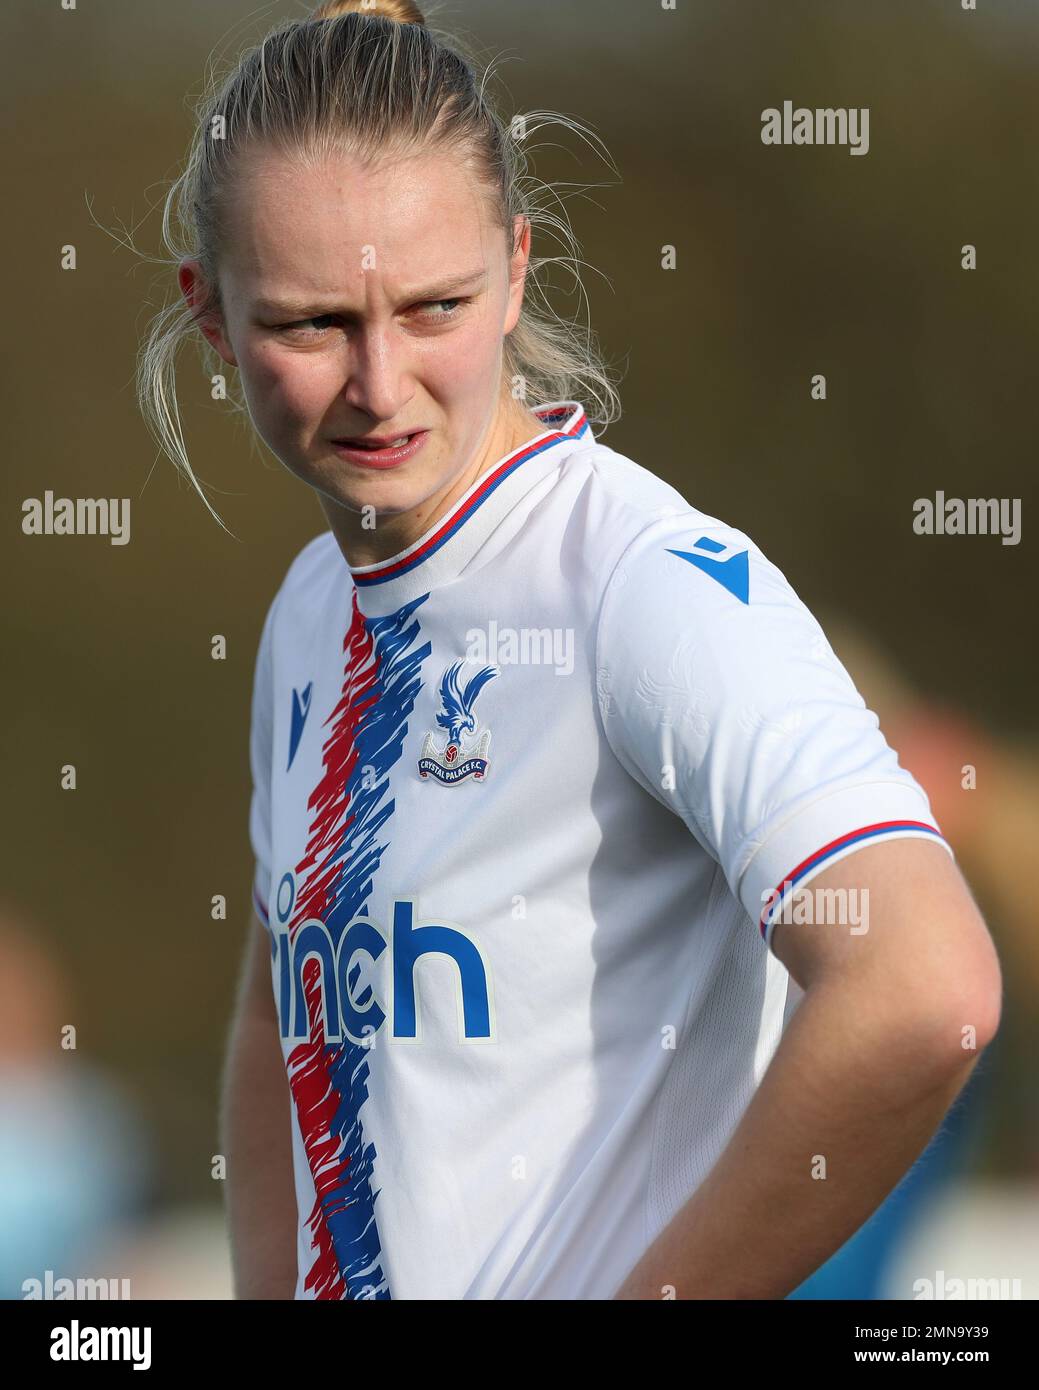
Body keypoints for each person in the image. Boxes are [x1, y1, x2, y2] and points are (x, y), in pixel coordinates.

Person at [139, 0, 1002, 1300]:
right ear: (209, 316)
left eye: (435, 305)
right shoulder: (312, 608)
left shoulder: (643, 585)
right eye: (312, 323)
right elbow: (279, 1017)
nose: (381, 382)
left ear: (519, 267)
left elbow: (923, 986)